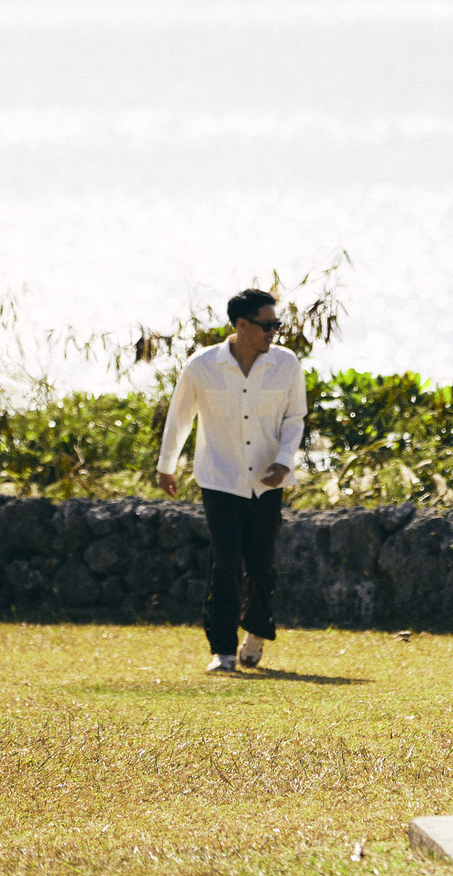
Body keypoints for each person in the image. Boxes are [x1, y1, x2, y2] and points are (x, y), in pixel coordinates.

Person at [157, 288, 308, 673]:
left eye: (276, 324)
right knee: (224, 564)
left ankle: (256, 631)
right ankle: (222, 651)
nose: (274, 331)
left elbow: (295, 420)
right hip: (218, 478)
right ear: (242, 325)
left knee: (261, 565)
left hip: (267, 481)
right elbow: (180, 417)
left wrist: (283, 462)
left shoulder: (287, 365)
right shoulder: (202, 366)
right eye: (267, 324)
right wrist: (166, 465)